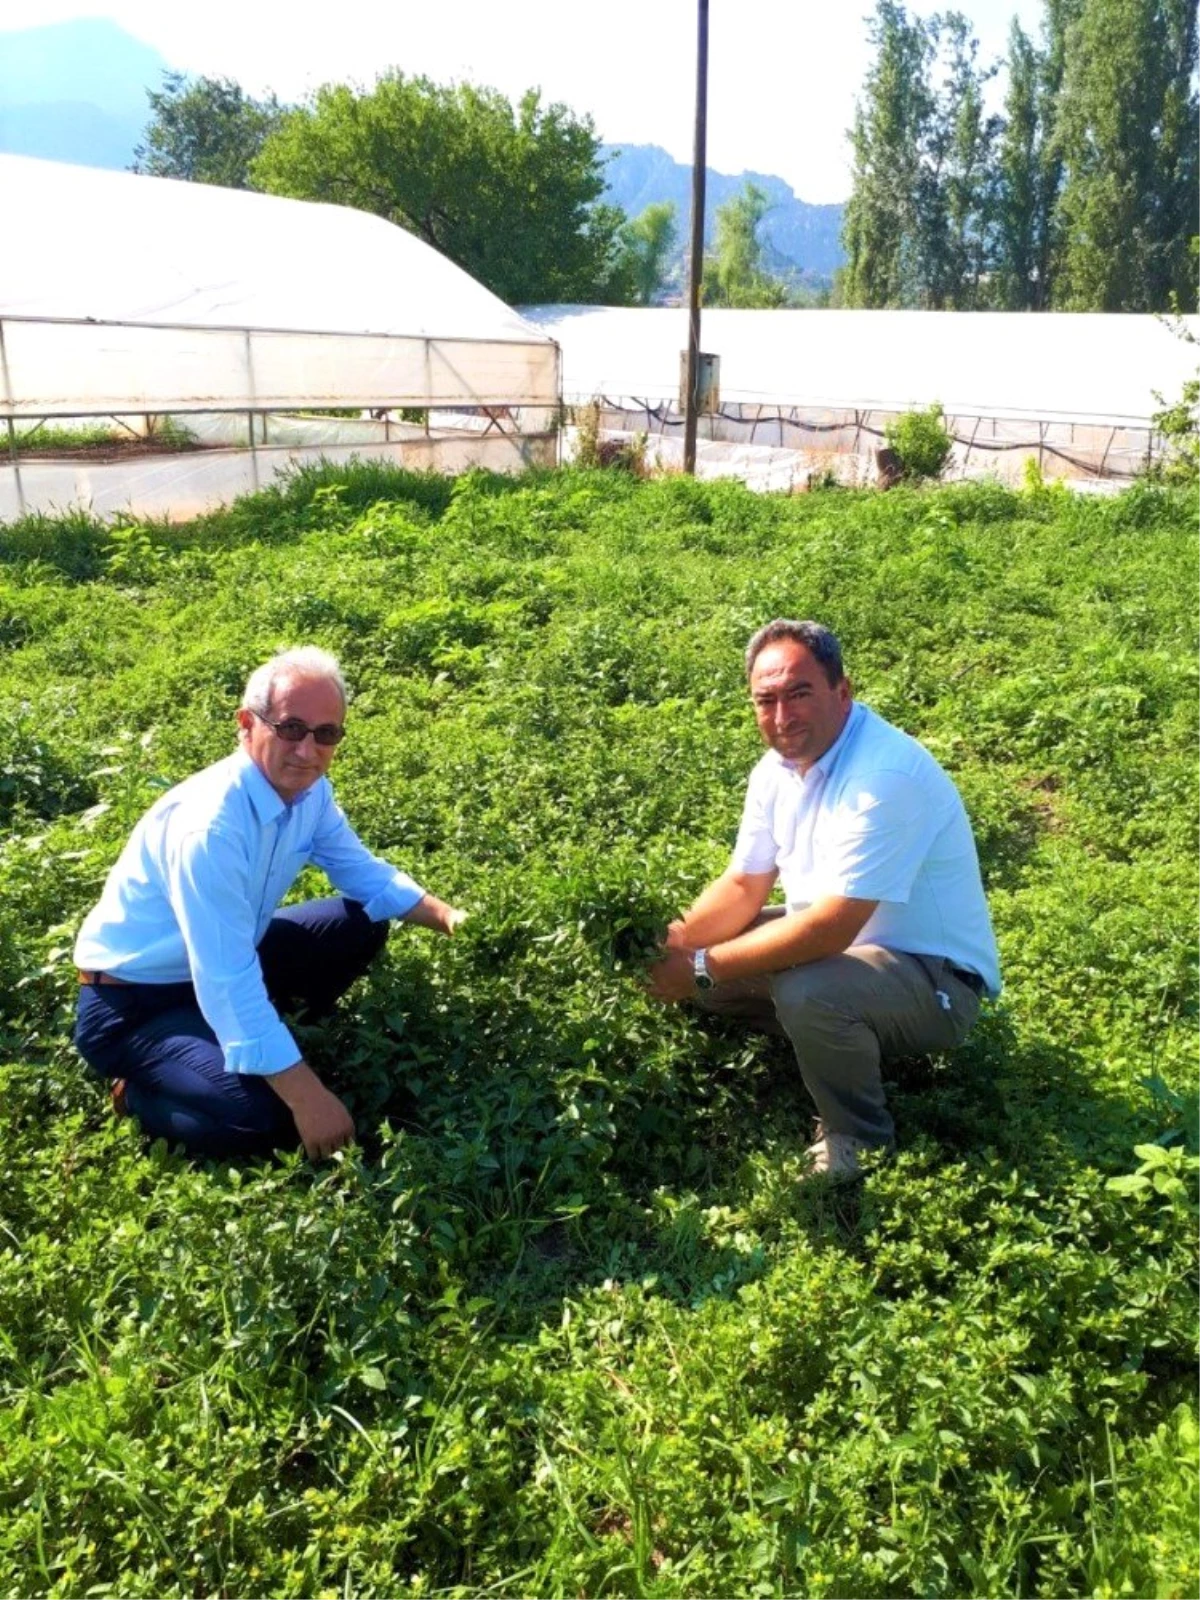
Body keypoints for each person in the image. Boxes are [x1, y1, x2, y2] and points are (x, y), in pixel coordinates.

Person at [73, 646, 465, 1161]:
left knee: (360, 922)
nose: (307, 750)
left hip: (219, 963)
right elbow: (227, 978)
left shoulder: (309, 794)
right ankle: (143, 1092)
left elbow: (361, 871)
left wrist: (450, 918)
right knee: (271, 1123)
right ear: (246, 724)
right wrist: (307, 1096)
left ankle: (242, 1045)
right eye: (291, 728)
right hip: (137, 1002)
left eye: (326, 734)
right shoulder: (210, 828)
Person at [646, 619, 1000, 1180]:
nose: (783, 717)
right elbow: (743, 885)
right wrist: (671, 943)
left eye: (800, 694)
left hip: (935, 979)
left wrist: (698, 969)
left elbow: (832, 929)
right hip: (850, 953)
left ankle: (858, 1137)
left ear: (843, 691)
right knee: (725, 963)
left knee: (806, 989)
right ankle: (840, 1040)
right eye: (767, 700)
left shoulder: (884, 776)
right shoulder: (776, 771)